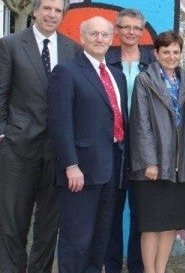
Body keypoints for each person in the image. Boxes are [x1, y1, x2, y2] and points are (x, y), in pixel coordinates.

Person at [0, 0, 80, 273]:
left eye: (58, 10)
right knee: (12, 224)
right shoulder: (10, 45)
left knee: (48, 226)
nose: (52, 14)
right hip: (18, 149)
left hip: (58, 153)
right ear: (35, 10)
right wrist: (3, 135)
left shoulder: (73, 49)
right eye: (47, 8)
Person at [48, 16, 128, 273]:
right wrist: (71, 165)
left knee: (99, 239)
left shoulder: (117, 75)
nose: (100, 39)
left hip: (112, 168)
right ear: (82, 38)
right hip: (81, 171)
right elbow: (60, 123)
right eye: (94, 34)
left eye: (105, 34)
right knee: (77, 240)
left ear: (111, 38)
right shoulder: (66, 72)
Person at [129, 31, 185, 273]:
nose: (171, 56)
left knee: (170, 224)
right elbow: (141, 123)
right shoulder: (144, 80)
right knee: (152, 225)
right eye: (165, 51)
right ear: (156, 53)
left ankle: (161, 269)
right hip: (154, 165)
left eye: (176, 52)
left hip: (179, 166)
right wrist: (150, 161)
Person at [105, 9, 155, 273]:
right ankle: (111, 266)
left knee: (141, 214)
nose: (131, 32)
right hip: (112, 146)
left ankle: (137, 266)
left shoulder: (153, 61)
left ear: (142, 30)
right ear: (117, 29)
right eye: (126, 27)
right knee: (111, 213)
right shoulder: (105, 58)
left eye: (136, 28)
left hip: (143, 148)